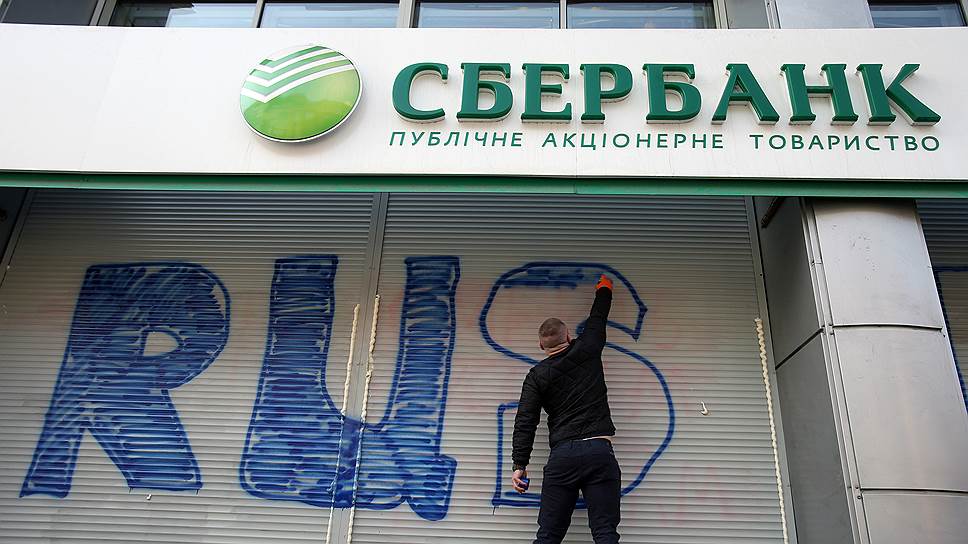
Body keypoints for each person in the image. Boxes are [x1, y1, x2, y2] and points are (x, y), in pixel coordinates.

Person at [511, 274, 621, 544]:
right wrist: (604, 288)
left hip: (563, 457)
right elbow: (598, 317)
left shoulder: (536, 376)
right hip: (599, 452)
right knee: (605, 533)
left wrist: (519, 465)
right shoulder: (588, 347)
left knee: (548, 535)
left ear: (541, 346)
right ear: (569, 336)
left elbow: (525, 420)